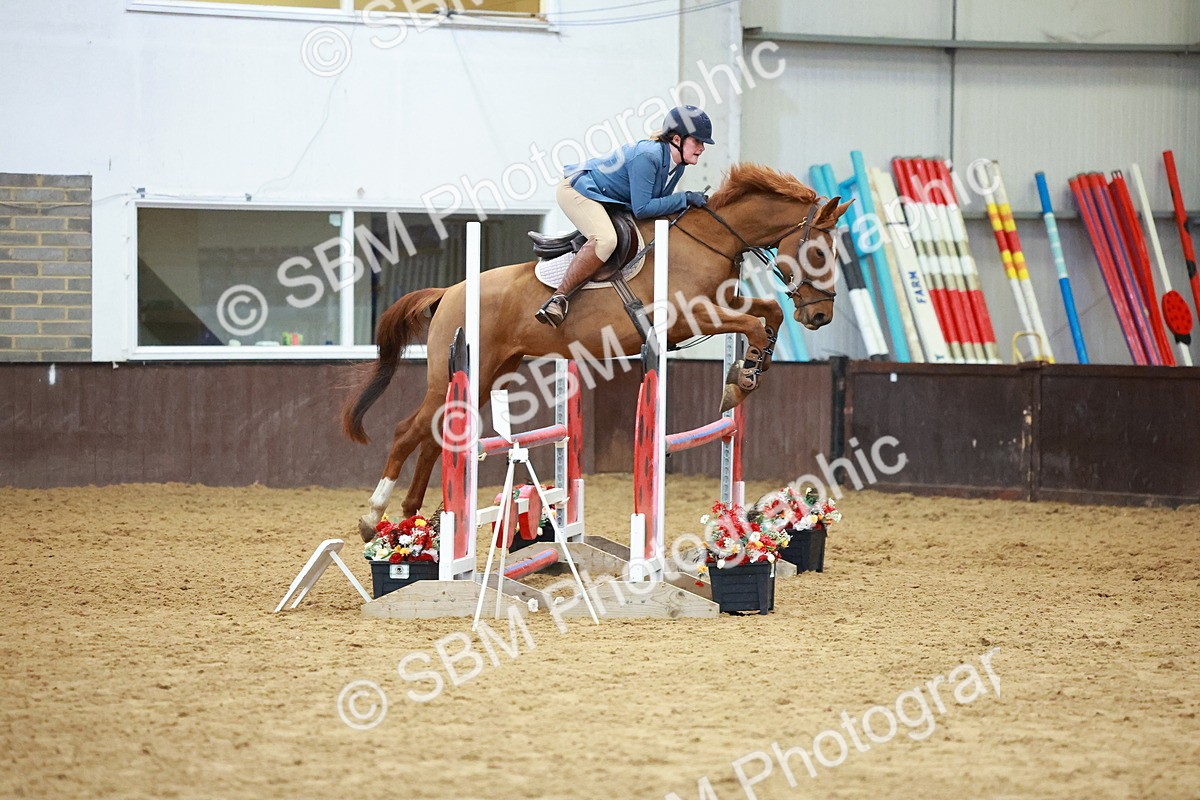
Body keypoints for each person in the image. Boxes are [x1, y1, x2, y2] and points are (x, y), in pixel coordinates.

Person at [534, 104, 714, 327]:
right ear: (677, 139)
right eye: (698, 141)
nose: (702, 148)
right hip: (578, 190)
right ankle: (558, 299)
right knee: (606, 240)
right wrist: (684, 198)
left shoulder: (678, 165)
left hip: (607, 199)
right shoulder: (648, 156)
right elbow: (643, 209)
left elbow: (656, 208)